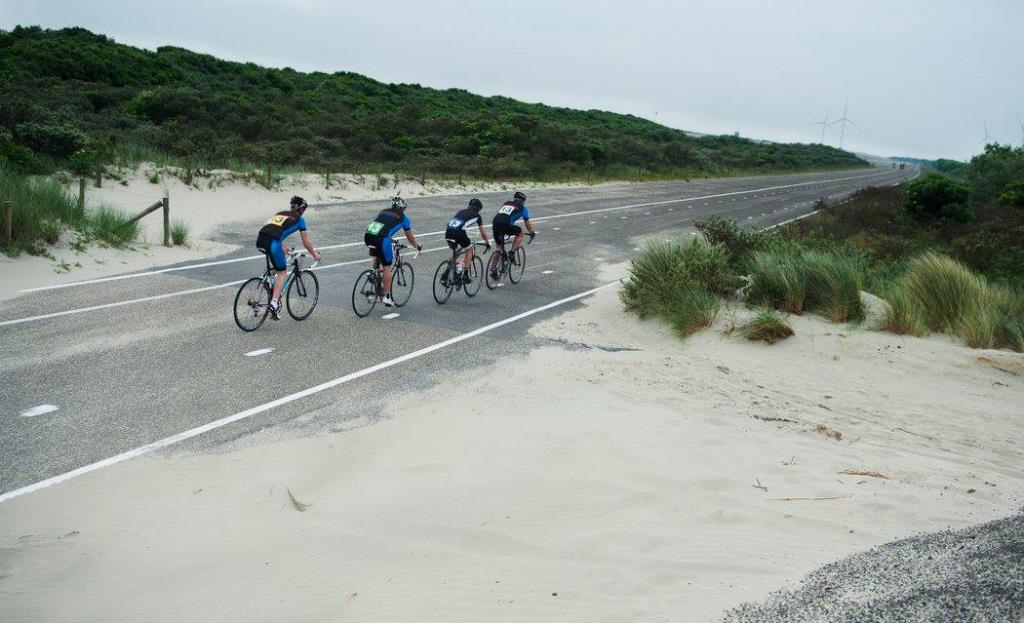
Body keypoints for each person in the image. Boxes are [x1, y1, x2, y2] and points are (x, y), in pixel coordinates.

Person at [256, 195, 321, 320]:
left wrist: (282, 246)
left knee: (275, 267)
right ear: (301, 210)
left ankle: (265, 283)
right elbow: (306, 242)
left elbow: (272, 230)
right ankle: (274, 304)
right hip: (273, 243)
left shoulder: (280, 213)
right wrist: (315, 254)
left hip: (261, 239)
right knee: (282, 272)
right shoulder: (300, 220)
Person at [364, 196, 422, 307]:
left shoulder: (384, 211)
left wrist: (390, 239)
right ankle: (386, 297)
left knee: (378, 250)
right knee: (387, 267)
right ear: (402, 209)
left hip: (368, 236)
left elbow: (381, 228)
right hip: (382, 240)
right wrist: (417, 246)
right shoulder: (404, 218)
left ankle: (372, 271)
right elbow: (410, 238)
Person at [444, 197, 491, 285]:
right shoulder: (477, 216)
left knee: (457, 252)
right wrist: (487, 242)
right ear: (478, 209)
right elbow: (482, 232)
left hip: (448, 231)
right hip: (459, 232)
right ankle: (465, 274)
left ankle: (445, 275)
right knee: (469, 249)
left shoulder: (461, 211)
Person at [490, 190, 535, 278]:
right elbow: (527, 222)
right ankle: (512, 252)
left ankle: (493, 268)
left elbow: (504, 215)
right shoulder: (523, 208)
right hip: (506, 225)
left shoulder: (506, 203)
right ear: (522, 201)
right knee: (520, 233)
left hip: (495, 224)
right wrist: (531, 232)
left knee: (499, 247)